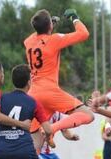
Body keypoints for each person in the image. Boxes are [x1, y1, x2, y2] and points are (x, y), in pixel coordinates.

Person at [24, 9, 94, 147]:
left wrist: (51, 24)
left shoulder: (28, 42)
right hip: (49, 91)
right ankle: (52, 129)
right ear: (49, 26)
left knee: (35, 146)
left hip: (33, 93)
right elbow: (84, 34)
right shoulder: (54, 40)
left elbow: (38, 34)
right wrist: (75, 17)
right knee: (88, 115)